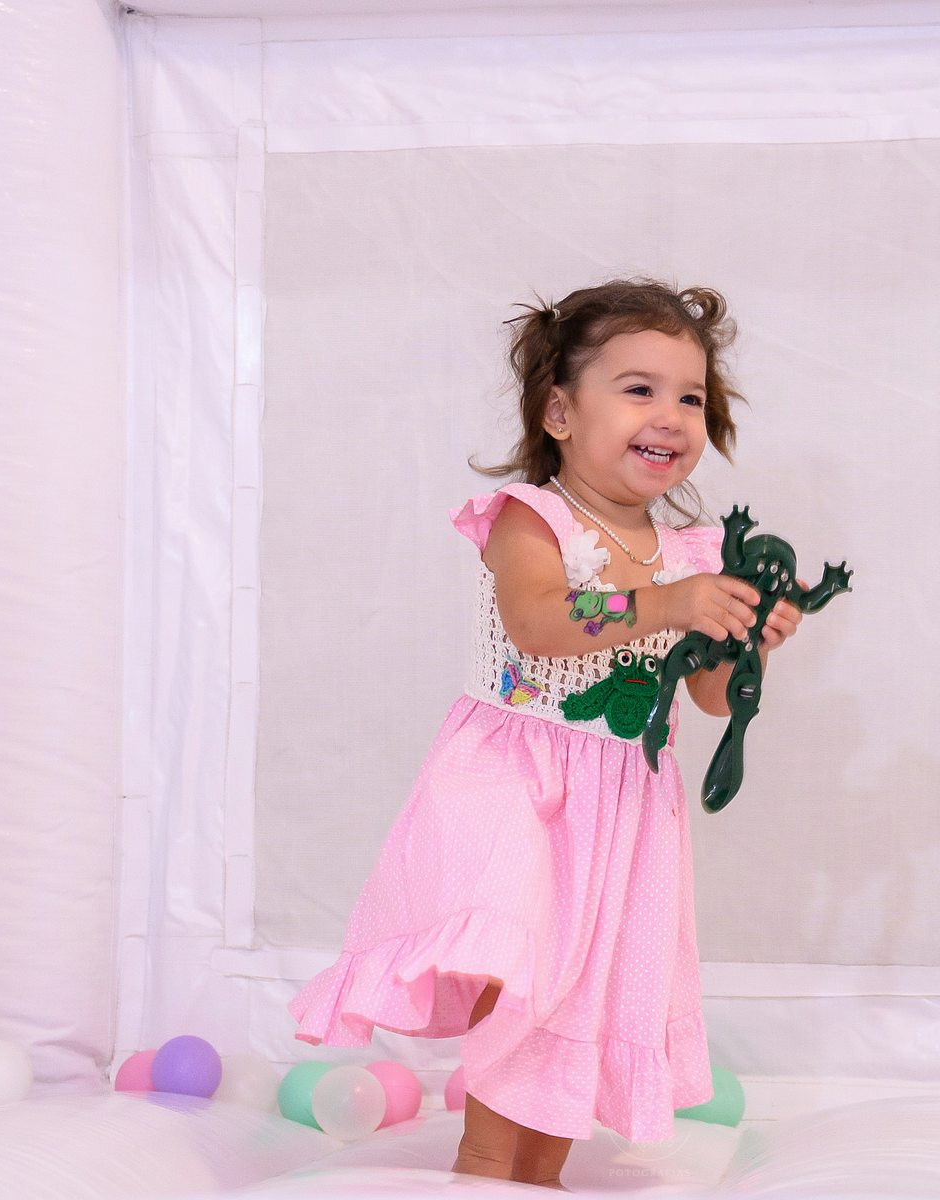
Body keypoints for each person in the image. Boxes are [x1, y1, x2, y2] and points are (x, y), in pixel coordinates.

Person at [288, 279, 805, 1189]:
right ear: (560, 412)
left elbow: (711, 699)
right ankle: (485, 1167)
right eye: (638, 389)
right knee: (523, 969)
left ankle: (538, 1174)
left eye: (690, 397)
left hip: (622, 804)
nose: (670, 415)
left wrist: (742, 640)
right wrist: (669, 604)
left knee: (580, 985)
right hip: (515, 779)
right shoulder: (535, 519)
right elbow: (537, 622)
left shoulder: (691, 555)